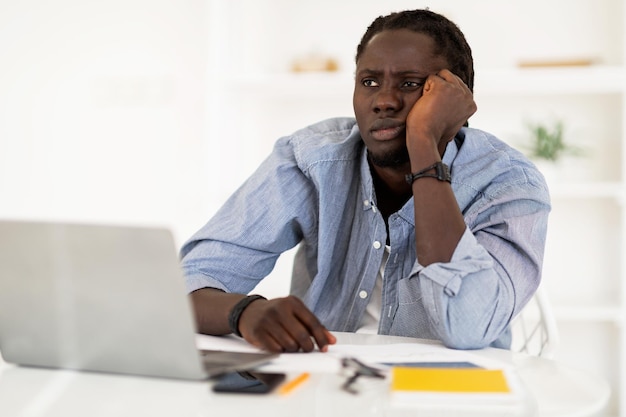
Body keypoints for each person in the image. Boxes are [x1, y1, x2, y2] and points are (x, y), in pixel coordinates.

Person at [180, 9, 550, 354]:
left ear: (453, 99)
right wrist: (242, 312)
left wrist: (423, 144)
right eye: (369, 81)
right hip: (327, 388)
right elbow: (185, 284)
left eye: (410, 84)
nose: (384, 101)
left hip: (450, 394)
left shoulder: (507, 183)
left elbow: (469, 327)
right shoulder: (313, 159)